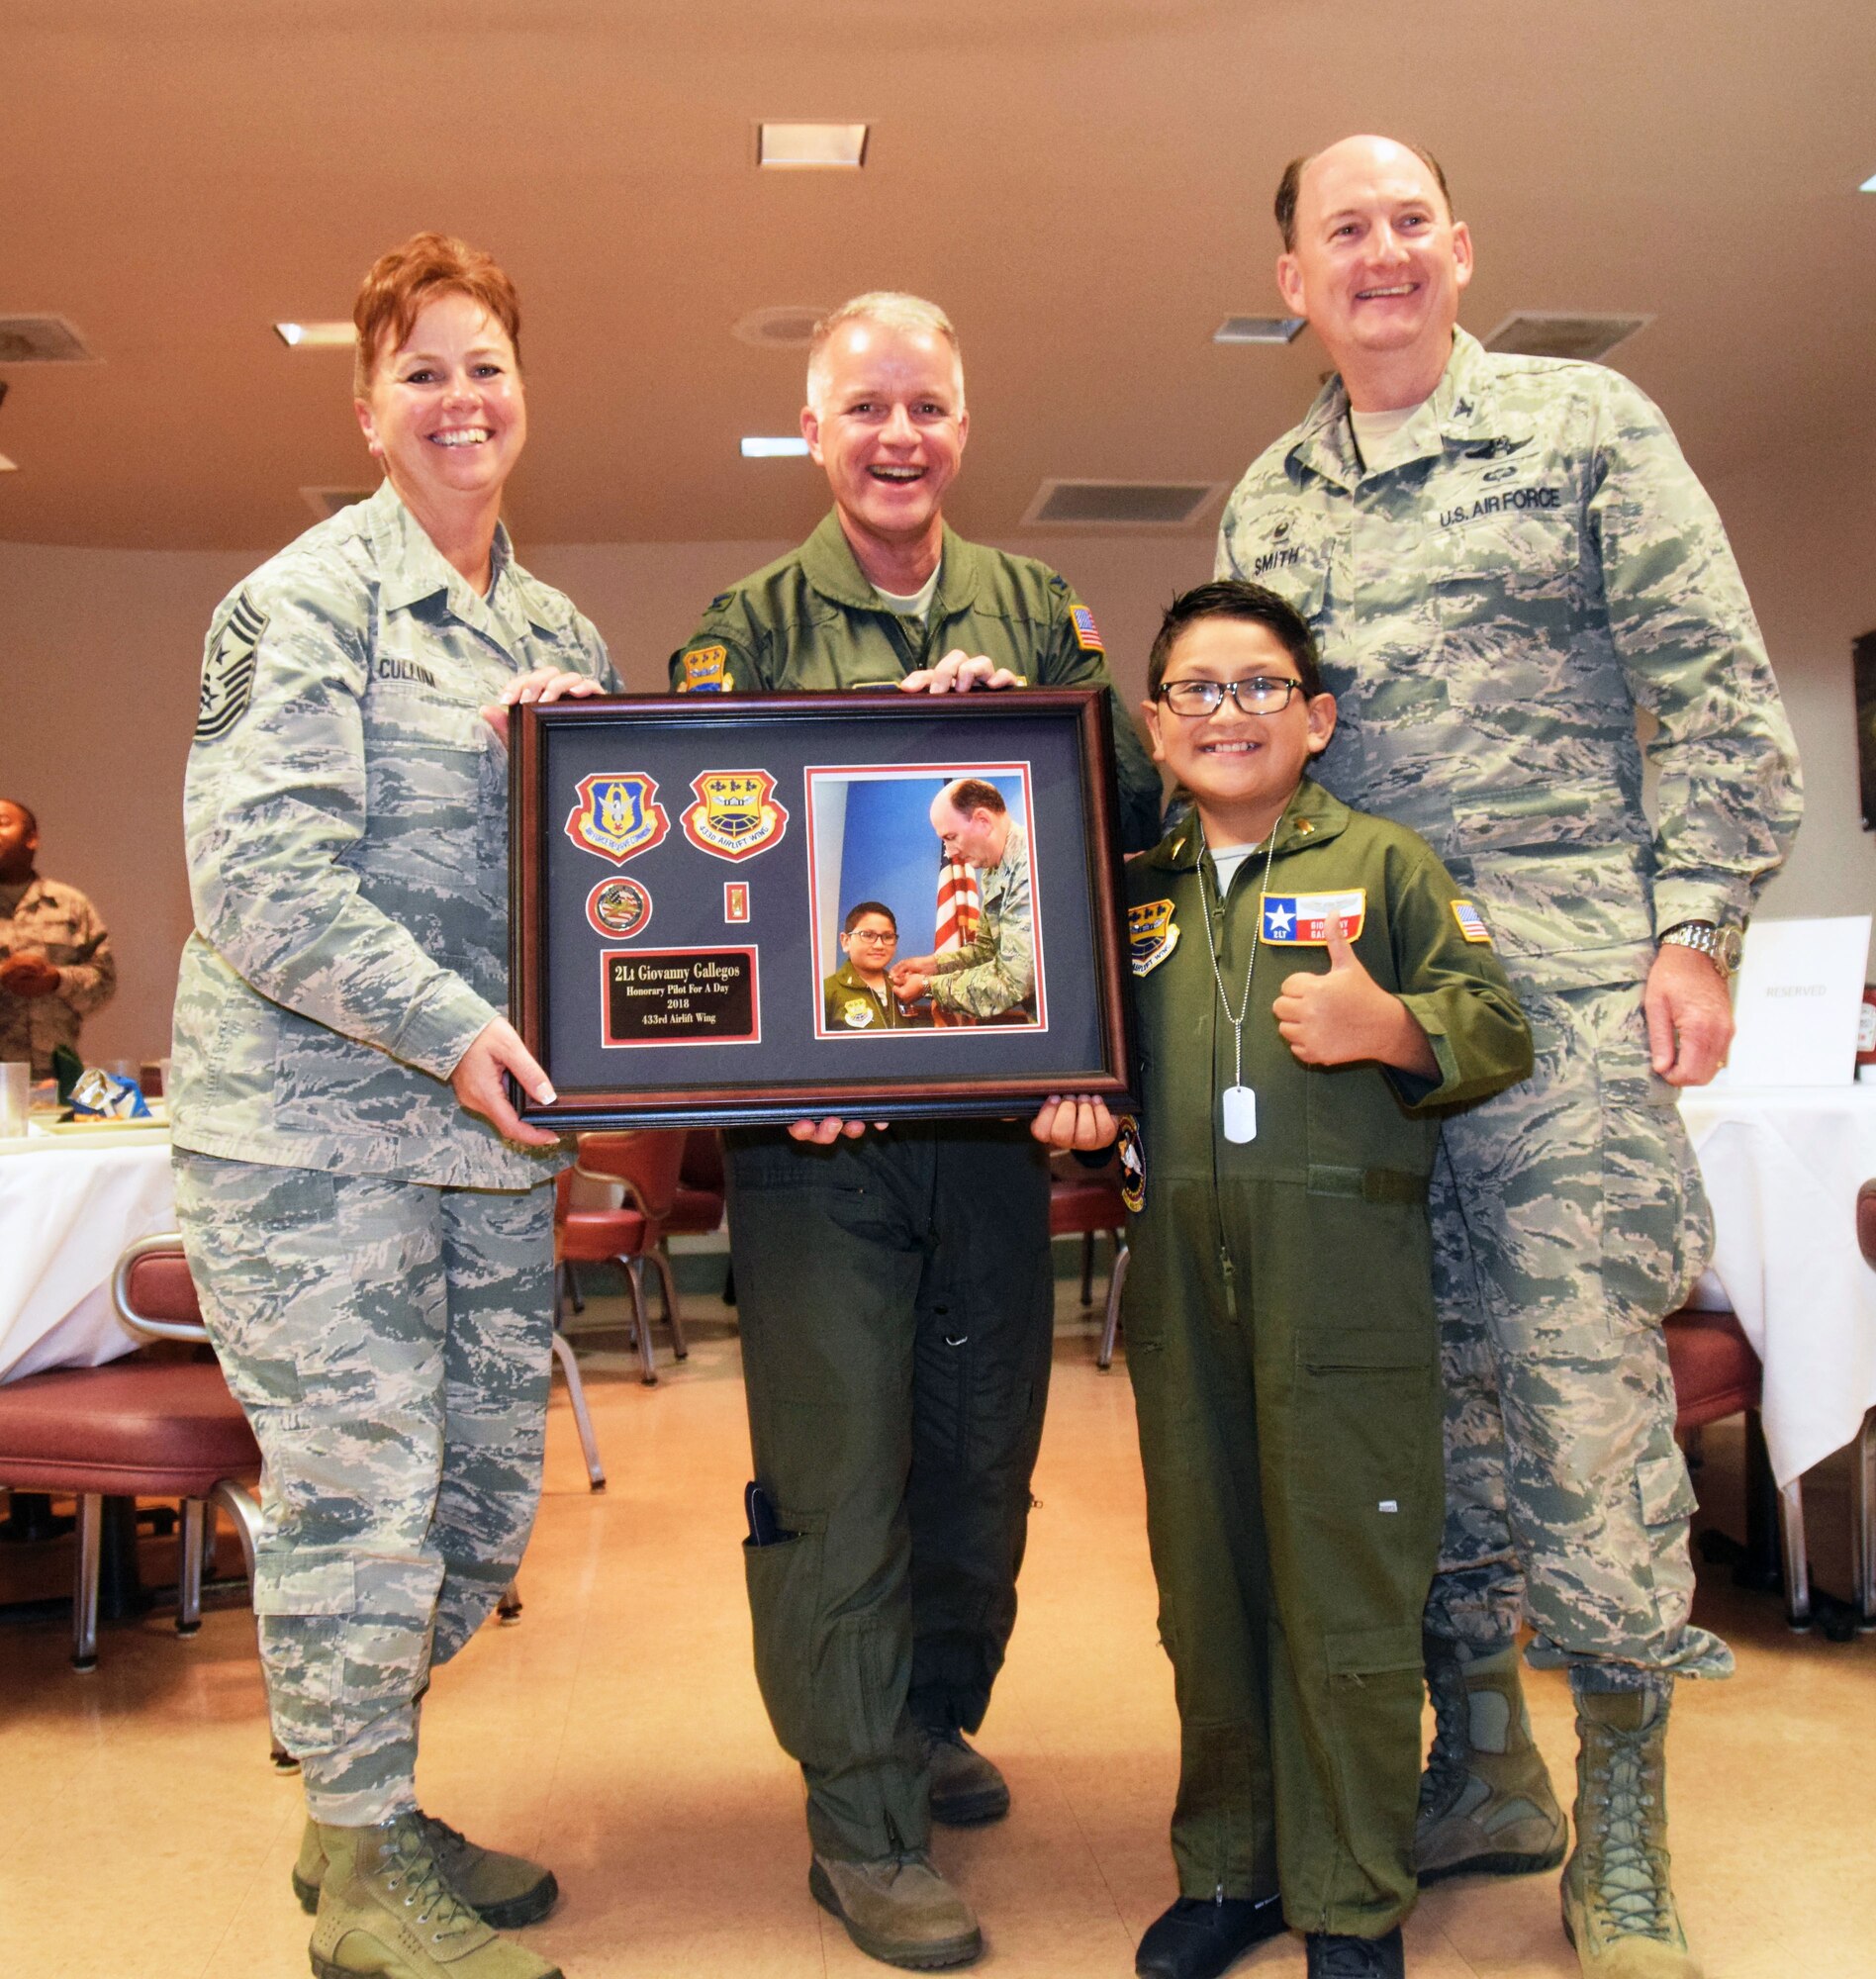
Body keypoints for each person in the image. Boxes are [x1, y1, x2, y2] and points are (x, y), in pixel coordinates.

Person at [1215, 137, 1803, 1978]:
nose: (1379, 256)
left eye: (1408, 224)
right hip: (1353, 1009)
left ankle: (1619, 1827)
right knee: (1414, 1388)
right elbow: (1245, 759)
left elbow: (1714, 692)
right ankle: (1482, 1762)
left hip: (1560, 1004)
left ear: (1460, 252)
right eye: (1341, 233)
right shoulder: (1268, 501)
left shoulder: (1583, 428)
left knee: (1576, 1394)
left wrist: (1696, 927)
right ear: (1290, 280)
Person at [670, 291, 1163, 1970]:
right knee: (839, 1488)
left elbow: (1133, 835)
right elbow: (704, 903)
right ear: (814, 431)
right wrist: (756, 1075)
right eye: (865, 407)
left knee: (980, 1472)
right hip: (816, 1161)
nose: (899, 437)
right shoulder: (738, 630)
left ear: (965, 426)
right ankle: (858, 1819)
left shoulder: (1041, 610)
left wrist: (1029, 716)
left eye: (929, 408)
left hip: (992, 1146)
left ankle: (931, 1715)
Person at [170, 232, 615, 1979]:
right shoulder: (302, 604)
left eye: (484, 364)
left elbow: (612, 885)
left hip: (486, 1151)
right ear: (369, 407)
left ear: (525, 397)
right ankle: (361, 1868)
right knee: (363, 1492)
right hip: (312, 1144)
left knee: (478, 1505)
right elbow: (258, 881)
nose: (459, 397)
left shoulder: (557, 628)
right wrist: (450, 1027)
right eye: (421, 369)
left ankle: (363, 1794)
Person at [1038, 580, 1532, 1979]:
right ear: (1154, 721)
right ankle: (1231, 1873)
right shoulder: (1125, 887)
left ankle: (1356, 1895)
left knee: (1346, 1588)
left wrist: (1394, 1024)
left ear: (1316, 718)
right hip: (1184, 1272)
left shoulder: (1386, 866)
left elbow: (1497, 1027)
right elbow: (1080, 1057)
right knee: (1209, 1583)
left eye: (1261, 687)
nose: (1228, 713)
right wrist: (1076, 1106)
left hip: (1345, 1286)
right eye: (1196, 688)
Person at [890, 780, 1035, 1021]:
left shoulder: (1030, 866)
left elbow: (1012, 981)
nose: (949, 851)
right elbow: (987, 951)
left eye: (951, 837)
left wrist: (928, 986)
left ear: (983, 821)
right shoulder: (993, 869)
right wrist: (930, 965)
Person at [0, 798, 117, 1077]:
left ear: (31, 838)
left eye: (2, 823)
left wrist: (56, 980)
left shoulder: (69, 904)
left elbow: (104, 983)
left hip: (55, 1074)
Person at [824, 900, 913, 1030]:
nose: (879, 945)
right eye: (867, 935)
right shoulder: (826, 992)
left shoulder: (902, 988)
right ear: (846, 941)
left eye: (888, 937)